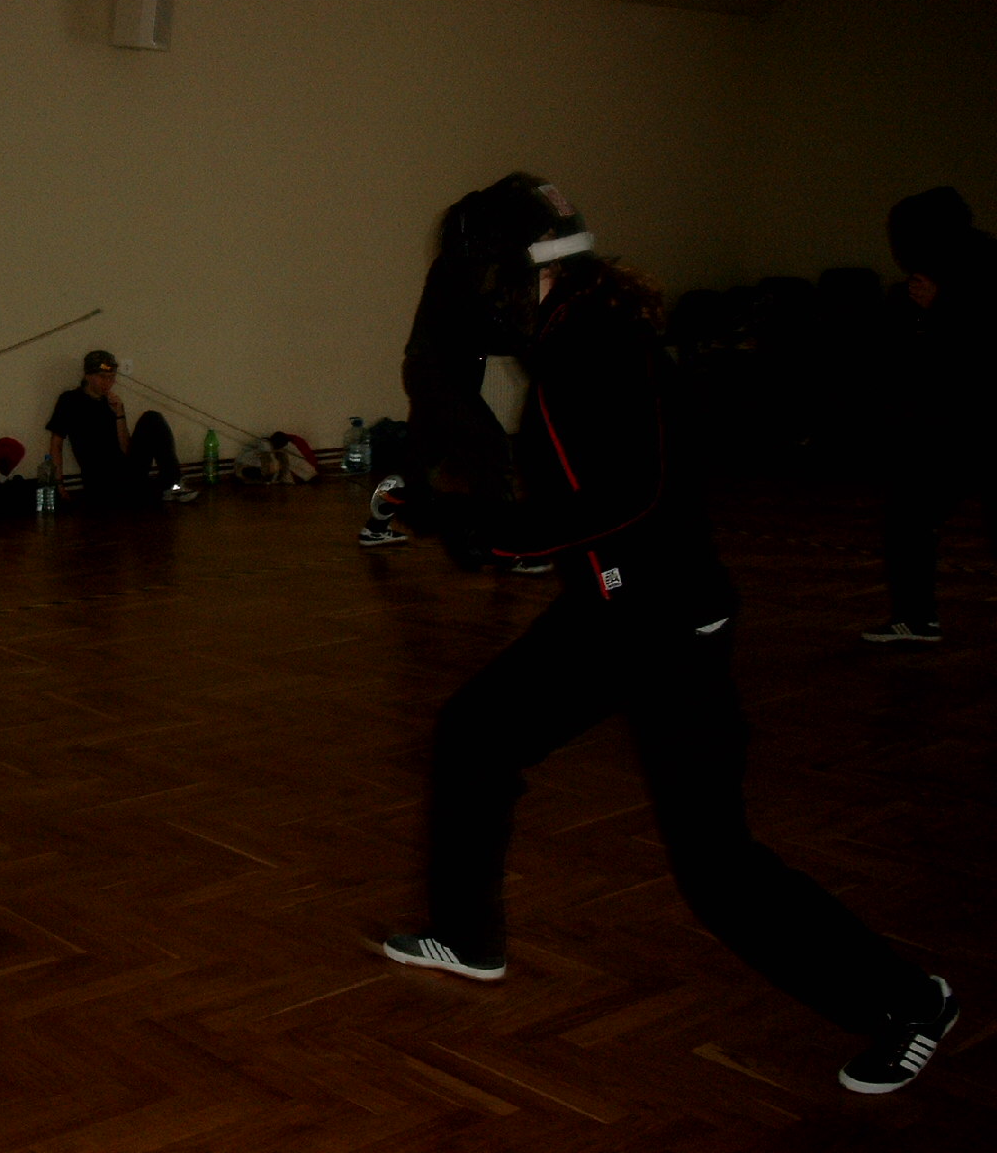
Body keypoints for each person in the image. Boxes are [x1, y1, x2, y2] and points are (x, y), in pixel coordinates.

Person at [383, 172, 957, 1095]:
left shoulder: (594, 346)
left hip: (663, 626)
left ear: (517, 271)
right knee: (476, 734)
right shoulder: (579, 325)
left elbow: (627, 495)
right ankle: (468, 935)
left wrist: (492, 532)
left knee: (715, 867)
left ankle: (909, 1003)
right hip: (613, 610)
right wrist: (463, 506)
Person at [359, 192, 550, 575]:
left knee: (422, 458)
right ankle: (507, 547)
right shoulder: (459, 270)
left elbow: (489, 326)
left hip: (437, 374)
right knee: (492, 448)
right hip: (437, 376)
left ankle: (377, 524)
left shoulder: (471, 266)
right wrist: (527, 344)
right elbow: (483, 326)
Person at [861, 187, 997, 644]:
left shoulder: (976, 272)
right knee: (910, 513)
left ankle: (917, 618)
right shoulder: (938, 275)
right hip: (952, 420)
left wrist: (943, 308)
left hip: (972, 418)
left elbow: (976, 345)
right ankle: (915, 618)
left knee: (910, 514)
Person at [45, 350, 199, 506]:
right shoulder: (70, 400)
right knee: (140, 492)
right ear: (88, 376)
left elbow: (125, 447)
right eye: (102, 377)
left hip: (125, 469)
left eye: (111, 378)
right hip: (100, 478)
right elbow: (56, 444)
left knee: (152, 418)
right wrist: (59, 484)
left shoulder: (110, 402)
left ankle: (172, 482)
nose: (107, 383)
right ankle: (159, 489)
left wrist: (119, 414)